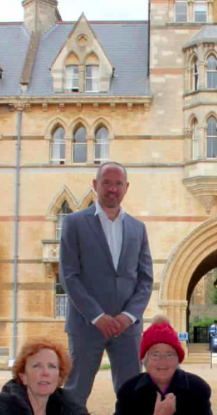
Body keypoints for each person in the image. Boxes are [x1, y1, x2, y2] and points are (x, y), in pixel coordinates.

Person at [60, 161, 153, 402]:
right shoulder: (74, 223)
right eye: (107, 183)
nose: (112, 189)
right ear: (95, 185)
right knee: (75, 393)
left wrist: (128, 316)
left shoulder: (138, 228)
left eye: (118, 184)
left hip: (127, 327)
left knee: (132, 395)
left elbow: (145, 279)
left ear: (126, 187)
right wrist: (97, 316)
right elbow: (69, 275)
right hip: (86, 324)